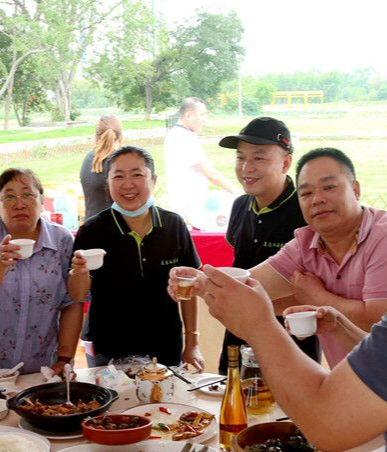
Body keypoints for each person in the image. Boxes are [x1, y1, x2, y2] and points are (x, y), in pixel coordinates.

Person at [183, 65, 387, 452]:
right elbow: (252, 283)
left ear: (356, 190)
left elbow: (326, 421)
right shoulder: (302, 240)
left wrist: (265, 322)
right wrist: (199, 280)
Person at [171, 147, 387, 368]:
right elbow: (249, 287)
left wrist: (316, 297)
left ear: (356, 189)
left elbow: (376, 320)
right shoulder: (305, 244)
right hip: (358, 381)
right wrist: (198, 282)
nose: (317, 199)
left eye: (329, 187)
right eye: (305, 193)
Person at [69, 146, 204, 369]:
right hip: (107, 349)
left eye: (137, 174)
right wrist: (79, 272)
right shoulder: (92, 230)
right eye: (118, 176)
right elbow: (77, 294)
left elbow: (188, 288)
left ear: (153, 180)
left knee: (165, 403)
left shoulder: (173, 225)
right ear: (108, 183)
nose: (128, 184)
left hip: (164, 346)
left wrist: (192, 341)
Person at [0, 168, 83, 384]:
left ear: (41, 200)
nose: (19, 204)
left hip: (41, 366)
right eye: (9, 197)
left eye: (28, 195)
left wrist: (65, 357)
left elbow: (71, 302)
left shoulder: (61, 240)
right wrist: (0, 262)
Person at [216, 117, 320, 373]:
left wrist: (250, 306)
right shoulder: (240, 205)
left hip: (292, 342)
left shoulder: (306, 211)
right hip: (237, 338)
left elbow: (317, 289)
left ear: (286, 163)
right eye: (240, 158)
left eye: (258, 158)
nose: (246, 168)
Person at [164, 97, 234, 227]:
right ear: (189, 115)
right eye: (202, 114)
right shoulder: (184, 138)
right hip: (190, 207)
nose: (204, 119)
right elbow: (210, 174)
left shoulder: (177, 134)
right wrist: (234, 192)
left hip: (184, 204)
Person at [80, 115, 123, 219]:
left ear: (96, 135)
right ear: (120, 136)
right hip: (114, 228)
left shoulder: (88, 159)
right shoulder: (119, 161)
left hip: (90, 226)